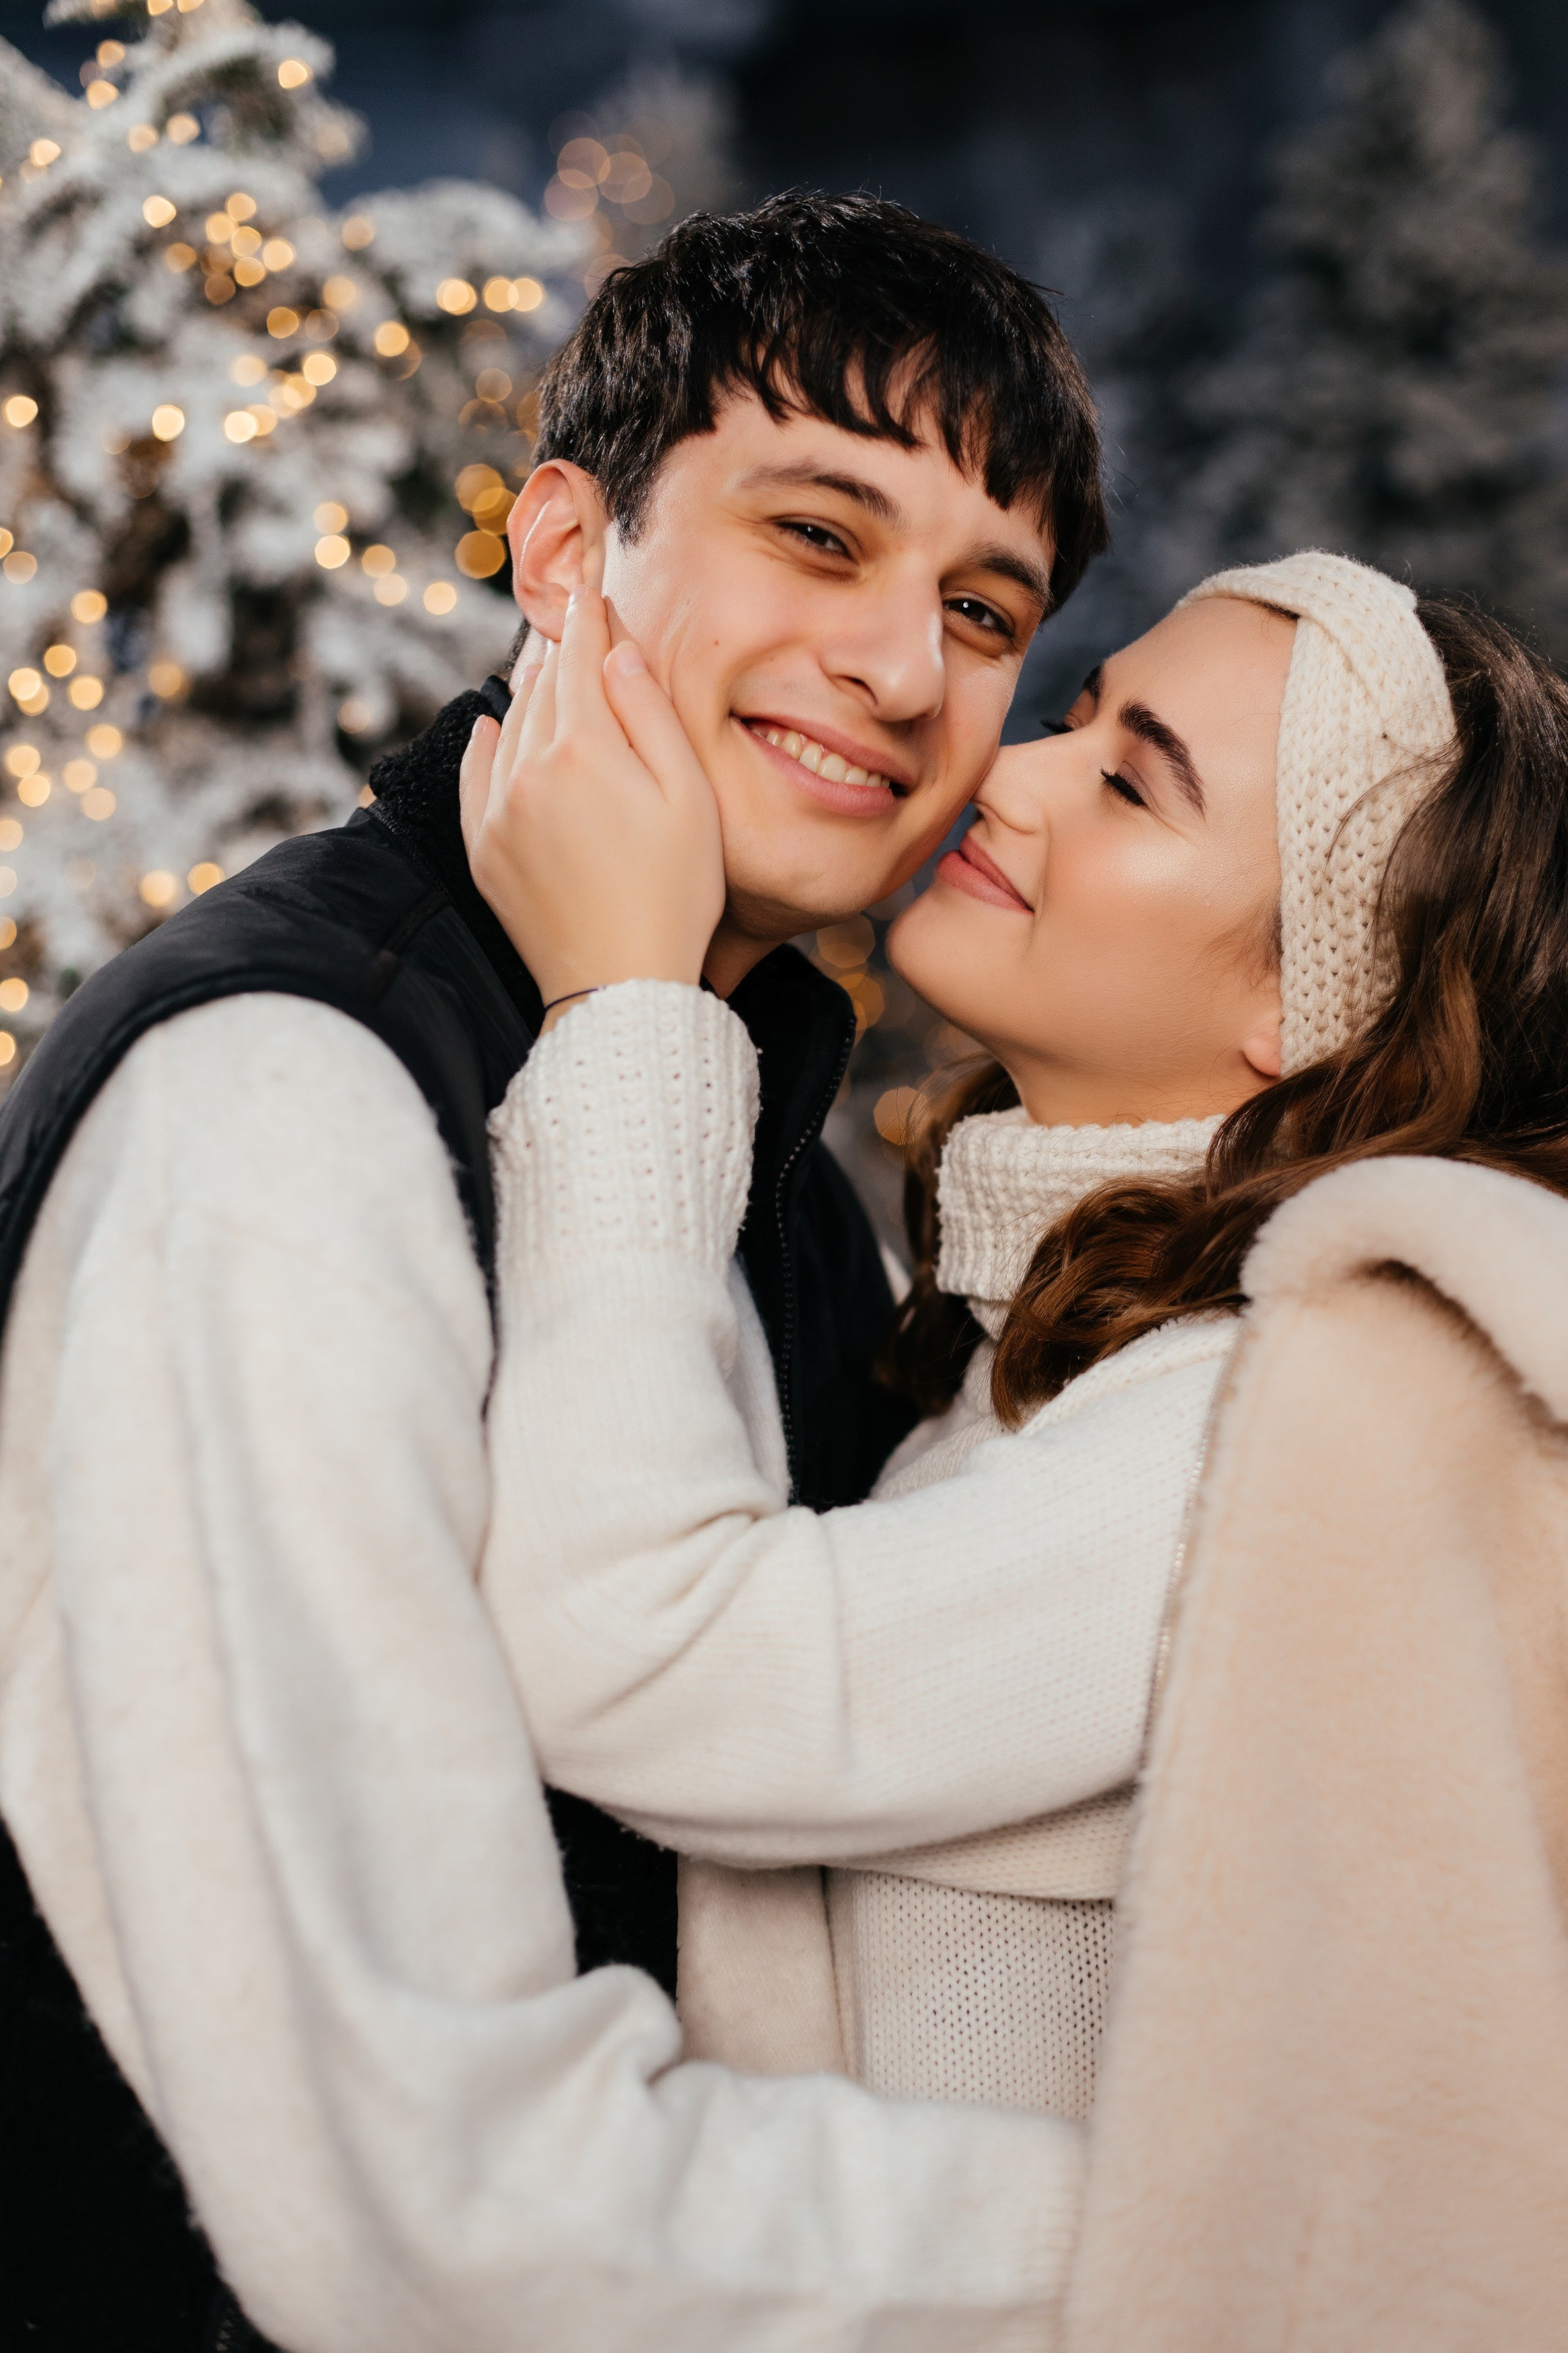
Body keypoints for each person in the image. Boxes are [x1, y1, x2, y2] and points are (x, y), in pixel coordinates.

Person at [0, 195, 1105, 2350]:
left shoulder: (758, 1158)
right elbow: (446, 2207)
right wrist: (1268, 2219)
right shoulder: (287, 1108)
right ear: (567, 550)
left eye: (985, 610)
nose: (903, 669)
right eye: (815, 532)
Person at [460, 547, 1568, 2122]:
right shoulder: (1057, 1357)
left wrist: (625, 1002)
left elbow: (653, 1663)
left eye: (1134, 785)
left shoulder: (1262, 1443)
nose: (1015, 771)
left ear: (1318, 1006)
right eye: (1076, 713)